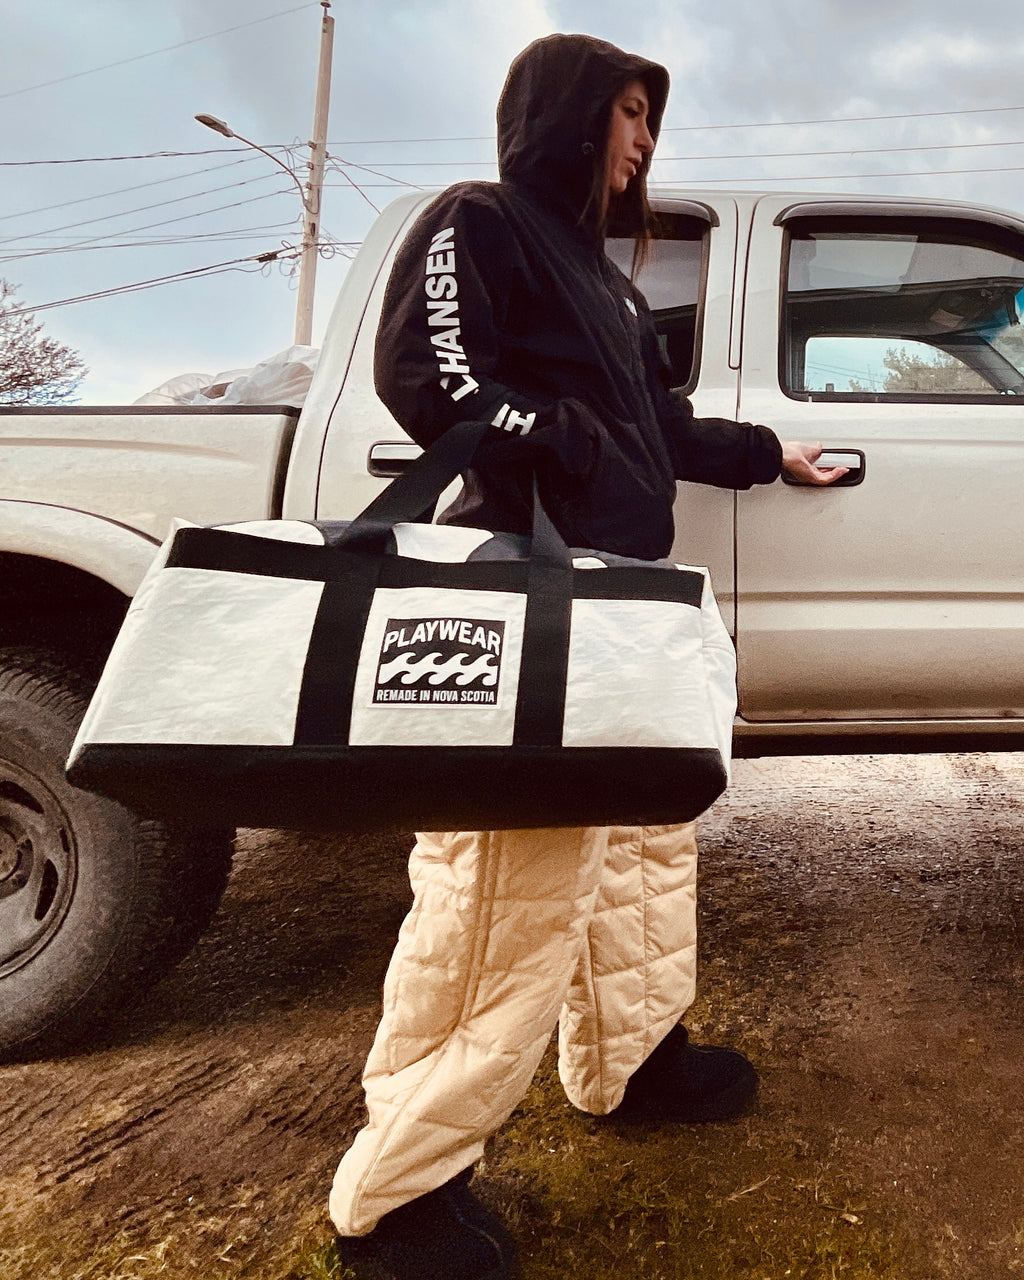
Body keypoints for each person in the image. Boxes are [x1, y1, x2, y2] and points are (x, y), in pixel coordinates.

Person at [330, 32, 845, 1280]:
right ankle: (398, 1193)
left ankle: (630, 1058)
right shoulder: (481, 218)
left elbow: (656, 428)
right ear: (564, 115)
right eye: (625, 114)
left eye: (650, 121)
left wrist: (766, 450)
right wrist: (545, 430)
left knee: (637, 847)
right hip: (522, 590)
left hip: (622, 600)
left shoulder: (608, 283)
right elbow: (430, 373)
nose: (642, 141)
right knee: (502, 882)